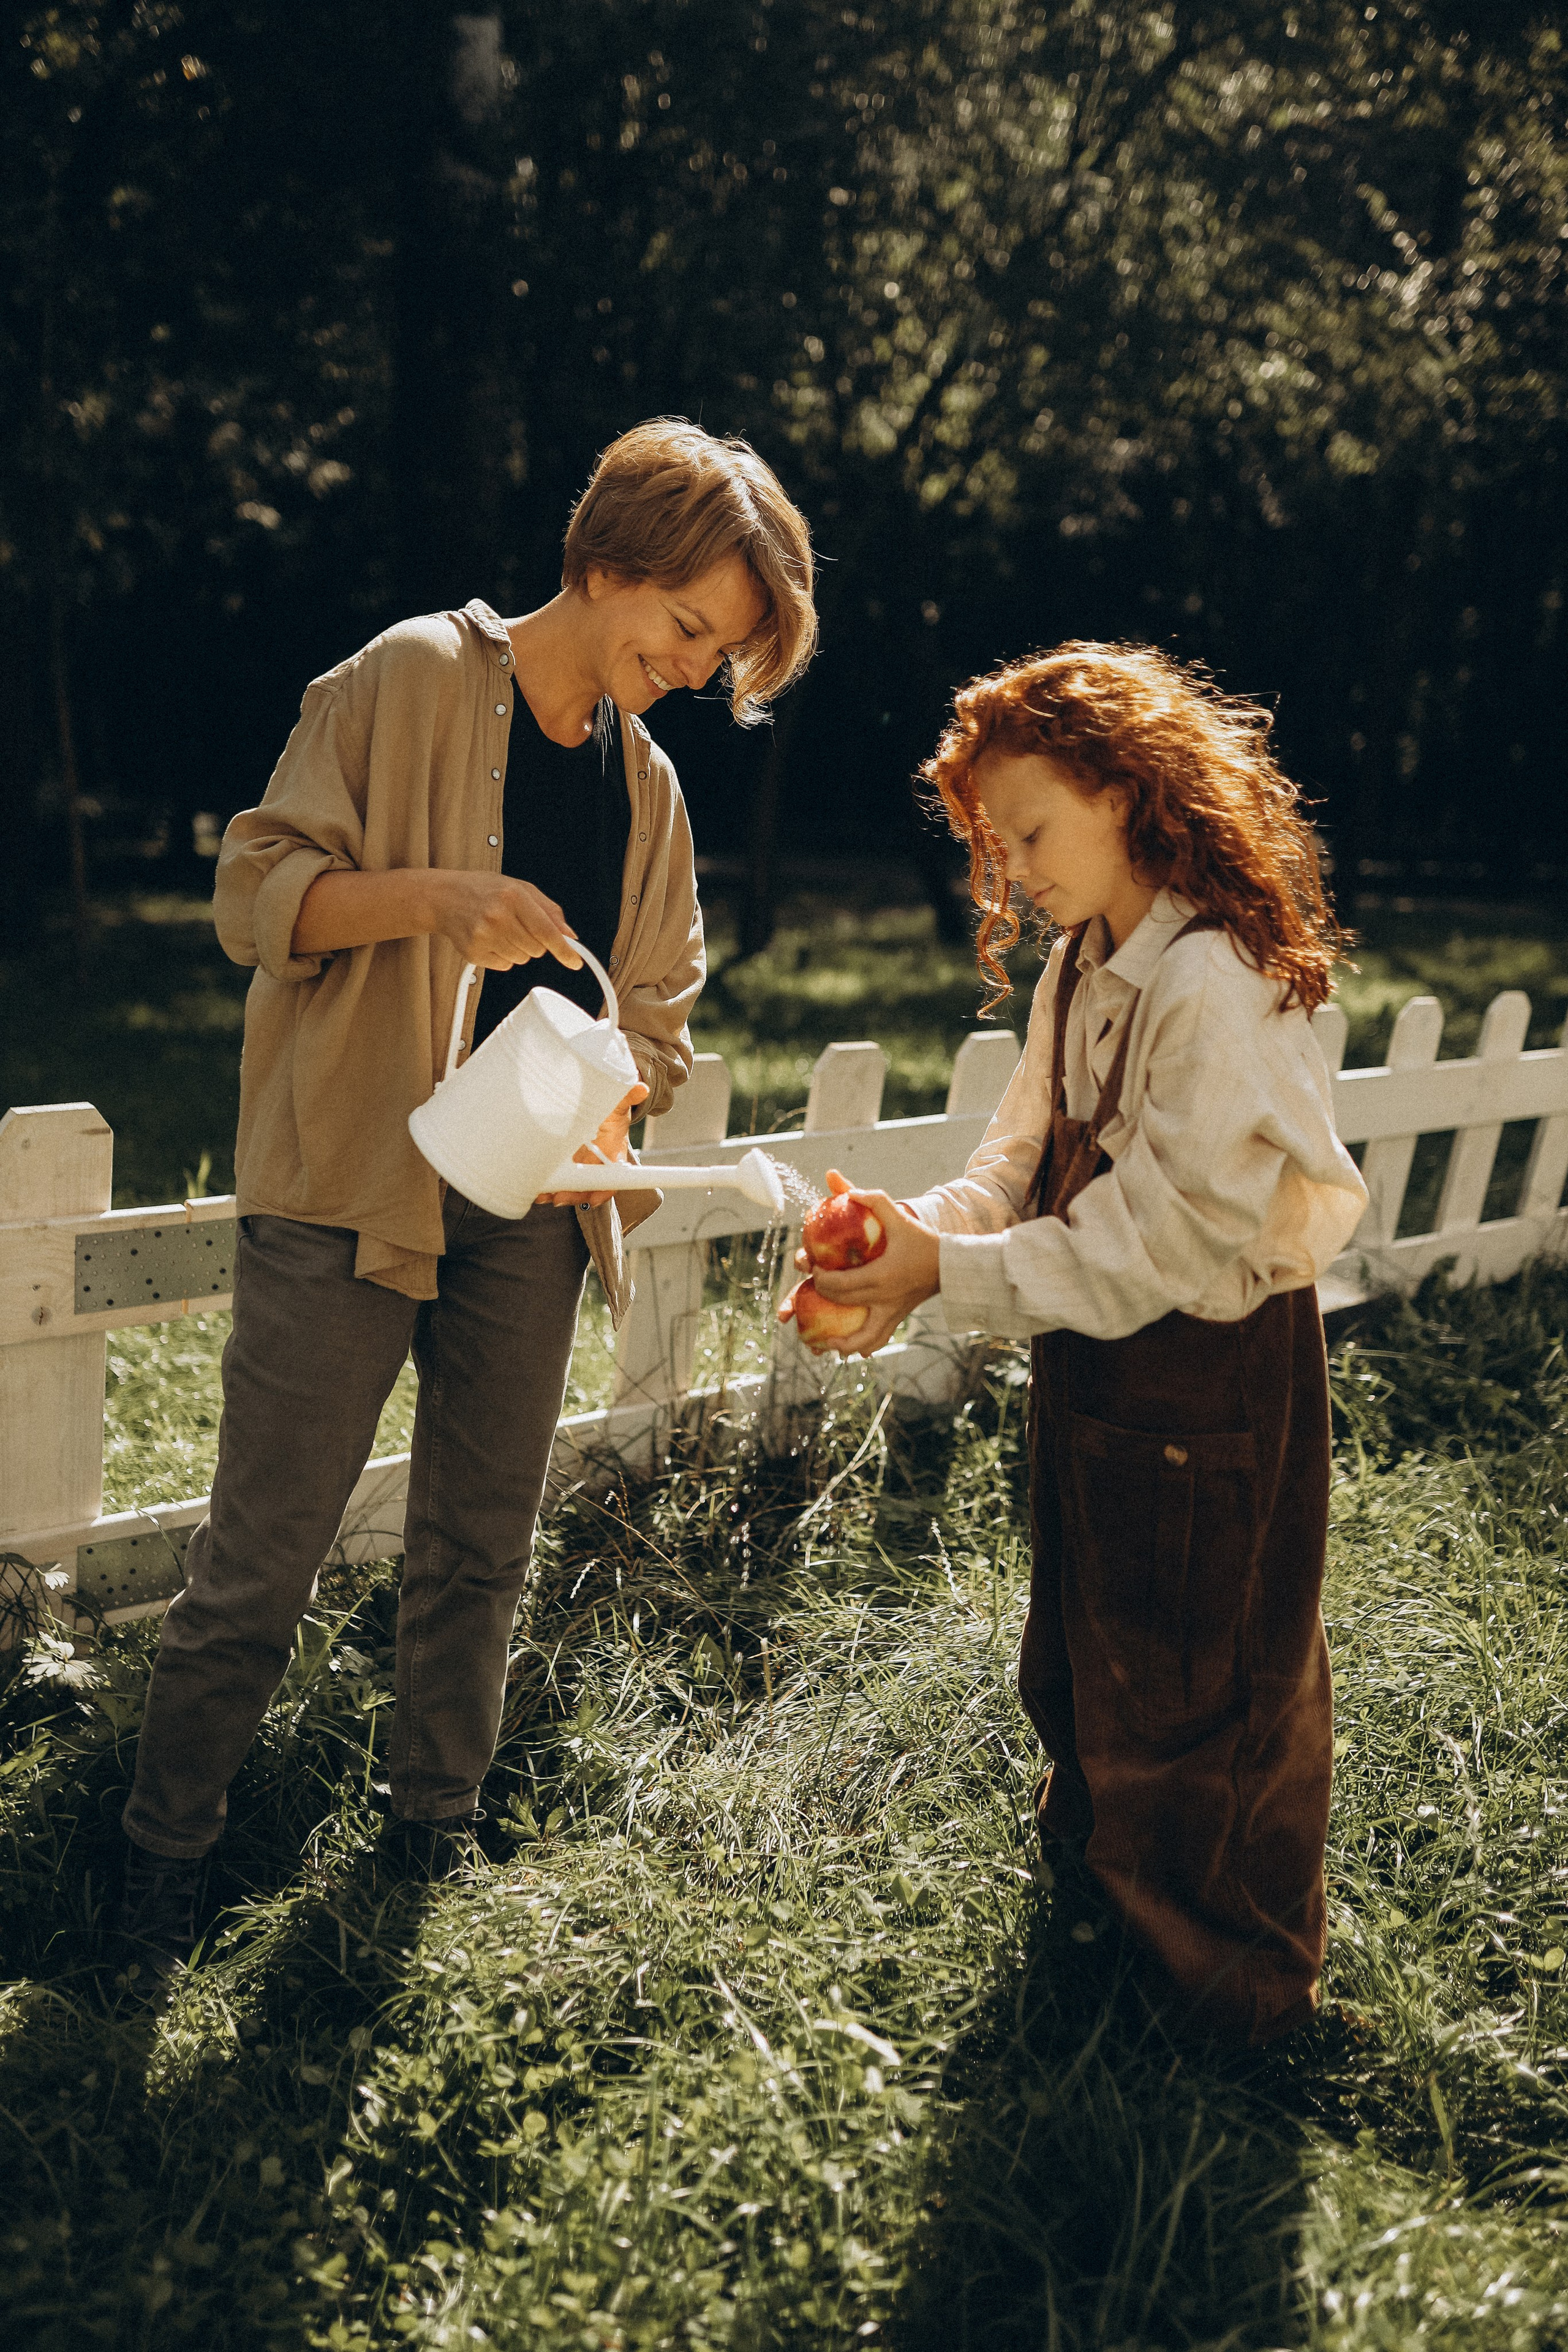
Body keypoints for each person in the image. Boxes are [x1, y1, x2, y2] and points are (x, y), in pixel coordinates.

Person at [111, 418, 816, 1986]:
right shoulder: (408, 677)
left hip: (532, 1203)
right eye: (688, 630)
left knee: (480, 1542)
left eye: (719, 657)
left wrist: (621, 1072)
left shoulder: (652, 786)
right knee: (267, 1551)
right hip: (355, 1181)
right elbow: (255, 893)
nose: (693, 671)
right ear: (612, 560)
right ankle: (161, 1861)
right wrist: (441, 903)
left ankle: (427, 1830)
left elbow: (663, 1006)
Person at [783, 643, 1368, 2044]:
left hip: (1211, 1373)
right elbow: (1018, 1152)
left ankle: (1224, 1998)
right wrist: (912, 1244)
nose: (1015, 869)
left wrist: (949, 1272)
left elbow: (1162, 1244)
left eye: (1031, 831)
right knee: (1095, 1642)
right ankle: (1107, 1909)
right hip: (1095, 1361)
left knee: (1207, 1681)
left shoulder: (1211, 981)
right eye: (994, 844)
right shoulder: (1085, 964)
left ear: (1125, 791)